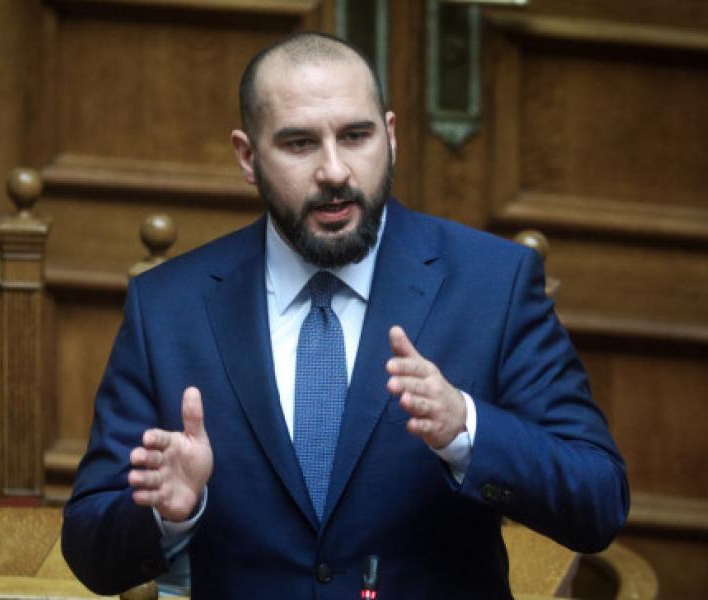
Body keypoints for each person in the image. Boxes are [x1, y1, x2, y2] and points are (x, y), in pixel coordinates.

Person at [62, 32, 629, 599]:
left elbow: (598, 501)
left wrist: (466, 429)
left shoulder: (493, 284)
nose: (334, 171)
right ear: (247, 157)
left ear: (390, 136)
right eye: (299, 143)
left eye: (356, 136)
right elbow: (89, 548)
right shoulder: (168, 306)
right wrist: (166, 514)